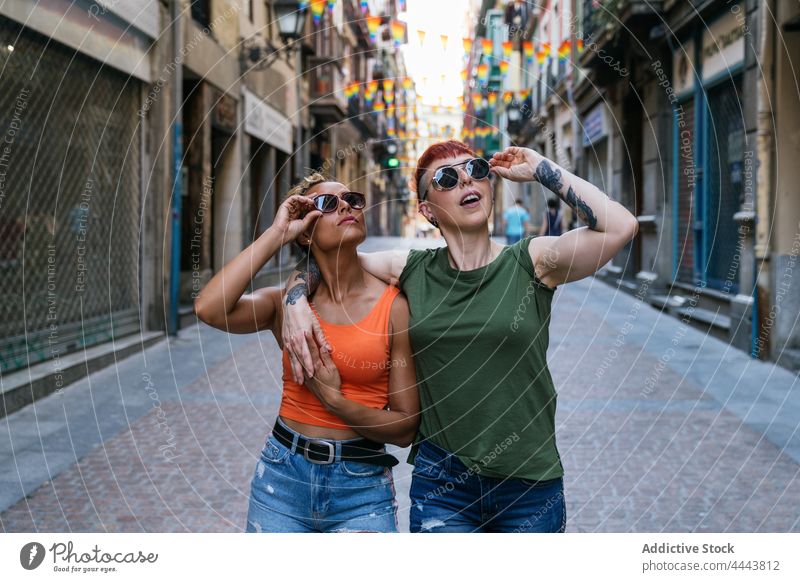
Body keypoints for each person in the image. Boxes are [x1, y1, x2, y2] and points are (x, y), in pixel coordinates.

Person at [281, 141, 639, 533]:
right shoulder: (412, 269)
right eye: (447, 178)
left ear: (489, 186)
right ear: (428, 211)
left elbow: (621, 226)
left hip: (530, 482)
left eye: (477, 169)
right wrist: (295, 301)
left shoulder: (533, 262)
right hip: (443, 485)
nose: (466, 178)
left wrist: (541, 169)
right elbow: (331, 261)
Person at [194, 173, 419, 533]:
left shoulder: (394, 307)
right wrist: (277, 234)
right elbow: (209, 308)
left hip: (361, 485)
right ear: (306, 232)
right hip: (282, 478)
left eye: (353, 199)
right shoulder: (283, 305)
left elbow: (406, 426)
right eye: (328, 204)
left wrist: (333, 399)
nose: (346, 205)